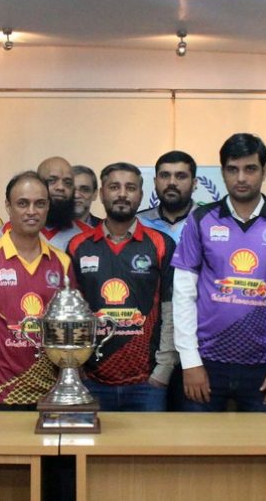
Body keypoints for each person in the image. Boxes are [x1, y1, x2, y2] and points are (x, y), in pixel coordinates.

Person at [173, 133, 266, 412]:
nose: (241, 178)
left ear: (264, 172)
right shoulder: (200, 219)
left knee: (264, 441)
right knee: (196, 439)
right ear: (222, 172)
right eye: (232, 169)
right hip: (205, 363)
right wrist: (190, 361)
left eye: (250, 169)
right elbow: (183, 293)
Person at [0, 171, 73, 412]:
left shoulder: (62, 262)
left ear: (48, 207)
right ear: (8, 207)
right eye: (22, 203)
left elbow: (68, 331)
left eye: (39, 204)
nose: (31, 211)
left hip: (49, 394)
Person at [68, 162, 176, 411]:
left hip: (147, 384)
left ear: (141, 194)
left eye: (131, 188)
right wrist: (76, 367)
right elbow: (72, 313)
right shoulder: (78, 246)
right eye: (114, 187)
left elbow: (172, 310)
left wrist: (163, 370)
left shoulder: (161, 244)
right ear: (101, 193)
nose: (122, 194)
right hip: (91, 381)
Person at [137, 150, 199, 244]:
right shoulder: (138, 222)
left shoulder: (210, 221)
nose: (171, 182)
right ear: (155, 182)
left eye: (181, 176)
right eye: (164, 176)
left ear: (194, 183)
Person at [35, 156, 90, 250]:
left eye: (67, 183)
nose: (61, 187)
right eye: (52, 180)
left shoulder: (89, 236)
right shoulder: (12, 231)